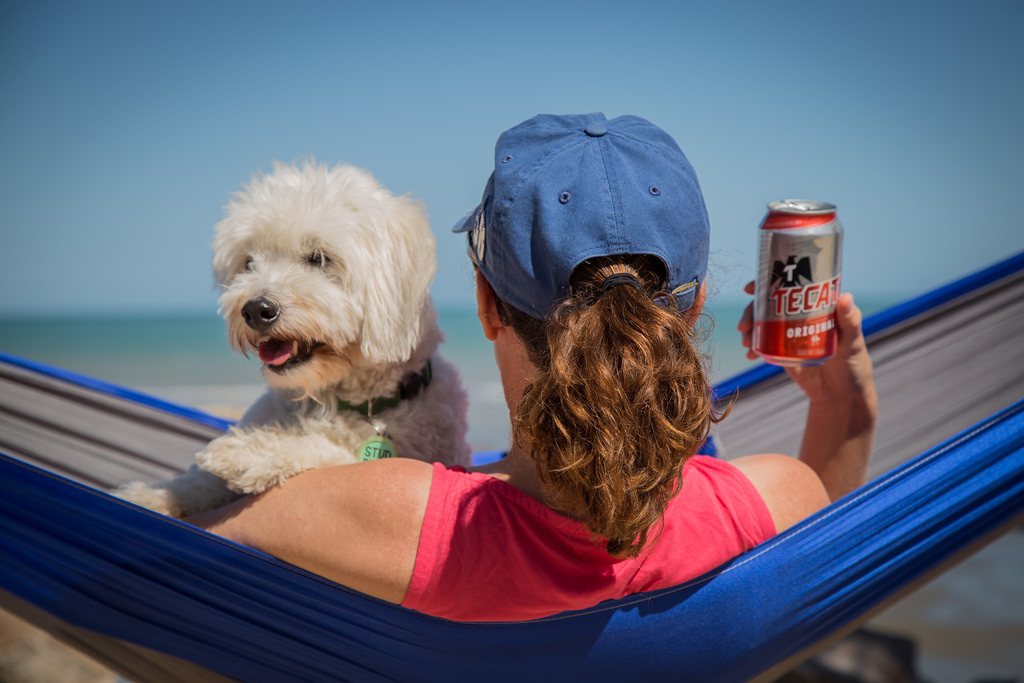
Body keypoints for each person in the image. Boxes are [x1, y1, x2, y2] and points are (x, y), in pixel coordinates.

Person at [189, 113, 877, 622]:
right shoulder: (775, 500)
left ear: (488, 307)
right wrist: (843, 408)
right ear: (692, 309)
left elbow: (147, 548)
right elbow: (819, 591)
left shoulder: (387, 511)